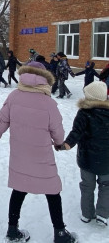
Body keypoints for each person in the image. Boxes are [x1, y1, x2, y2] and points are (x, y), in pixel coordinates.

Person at [0, 61, 77, 243]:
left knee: (19, 190)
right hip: (42, 158)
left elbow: (0, 121)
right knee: (52, 192)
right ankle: (60, 233)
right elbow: (57, 131)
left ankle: (12, 230)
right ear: (45, 78)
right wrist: (59, 144)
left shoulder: (13, 97)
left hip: (20, 156)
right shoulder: (48, 103)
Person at [57, 81, 109, 227]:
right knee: (106, 186)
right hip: (106, 160)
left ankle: (87, 214)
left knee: (87, 186)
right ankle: (102, 215)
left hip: (87, 159)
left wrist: (67, 144)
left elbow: (76, 132)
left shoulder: (84, 113)